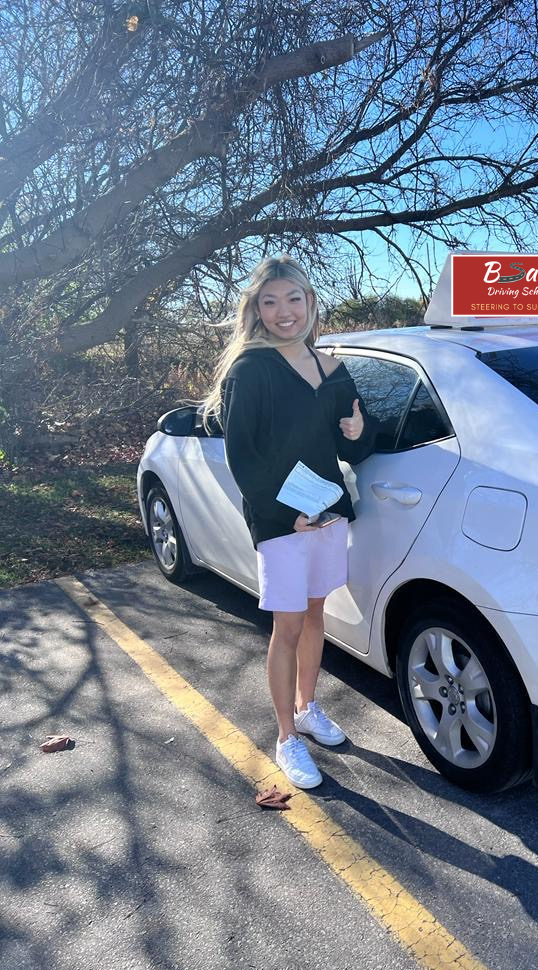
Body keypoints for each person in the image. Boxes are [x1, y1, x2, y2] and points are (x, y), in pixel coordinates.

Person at [201, 255, 377, 789]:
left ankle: (307, 707)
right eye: (270, 302)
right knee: (288, 626)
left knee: (317, 614)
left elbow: (361, 445)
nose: (284, 312)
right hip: (282, 522)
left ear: (310, 302)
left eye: (293, 299)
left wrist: (357, 430)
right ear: (256, 309)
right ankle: (285, 738)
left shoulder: (331, 367)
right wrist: (283, 516)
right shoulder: (250, 369)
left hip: (325, 513)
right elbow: (243, 457)